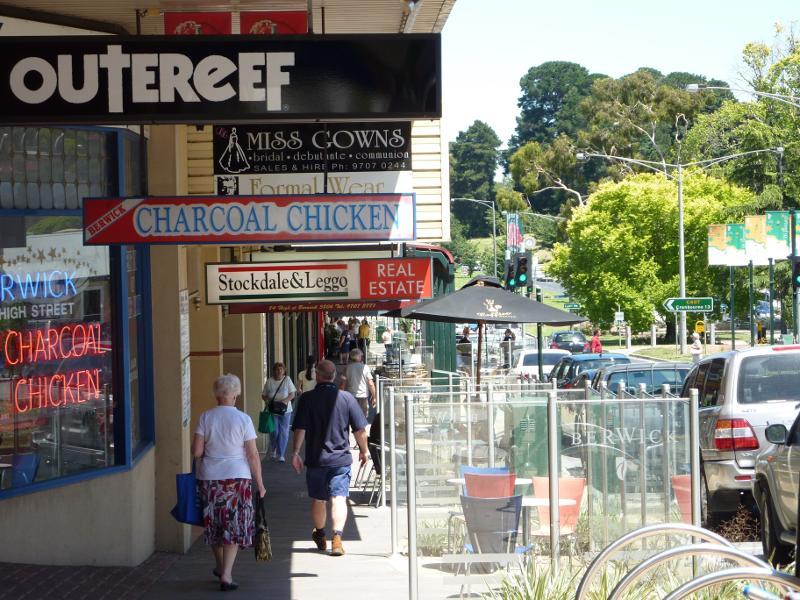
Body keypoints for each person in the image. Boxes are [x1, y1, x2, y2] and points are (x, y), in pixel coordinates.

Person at [192, 374, 265, 592]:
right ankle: (226, 574)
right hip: (237, 478)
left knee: (214, 523)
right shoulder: (244, 419)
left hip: (210, 478)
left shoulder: (205, 417)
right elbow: (252, 454)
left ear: (217, 395)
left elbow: (197, 452)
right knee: (233, 525)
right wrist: (259, 483)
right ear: (235, 394)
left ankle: (219, 565)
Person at [291, 360, 369, 556]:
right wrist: (364, 450)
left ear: (317, 375)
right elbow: (359, 430)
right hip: (340, 459)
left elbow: (300, 428)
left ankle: (319, 533)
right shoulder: (347, 398)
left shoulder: (307, 399)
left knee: (319, 499)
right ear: (334, 376)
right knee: (339, 498)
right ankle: (337, 539)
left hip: (316, 459)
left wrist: (295, 453)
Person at [262, 362, 296, 462]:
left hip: (285, 410)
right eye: (277, 369)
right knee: (274, 431)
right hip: (273, 410)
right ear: (274, 371)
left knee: (284, 432)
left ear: (284, 371)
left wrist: (284, 401)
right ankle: (274, 448)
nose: (279, 371)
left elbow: (292, 394)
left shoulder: (287, 380)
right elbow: (264, 395)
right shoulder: (269, 381)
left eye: (281, 369)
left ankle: (281, 454)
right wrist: (267, 400)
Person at [340, 348, 377, 418]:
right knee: (362, 418)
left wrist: (340, 397)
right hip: (363, 397)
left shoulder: (347, 368)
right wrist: (374, 397)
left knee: (352, 417)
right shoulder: (365, 367)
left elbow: (342, 385)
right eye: (362, 356)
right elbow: (371, 384)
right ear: (359, 357)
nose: (362, 357)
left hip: (350, 396)